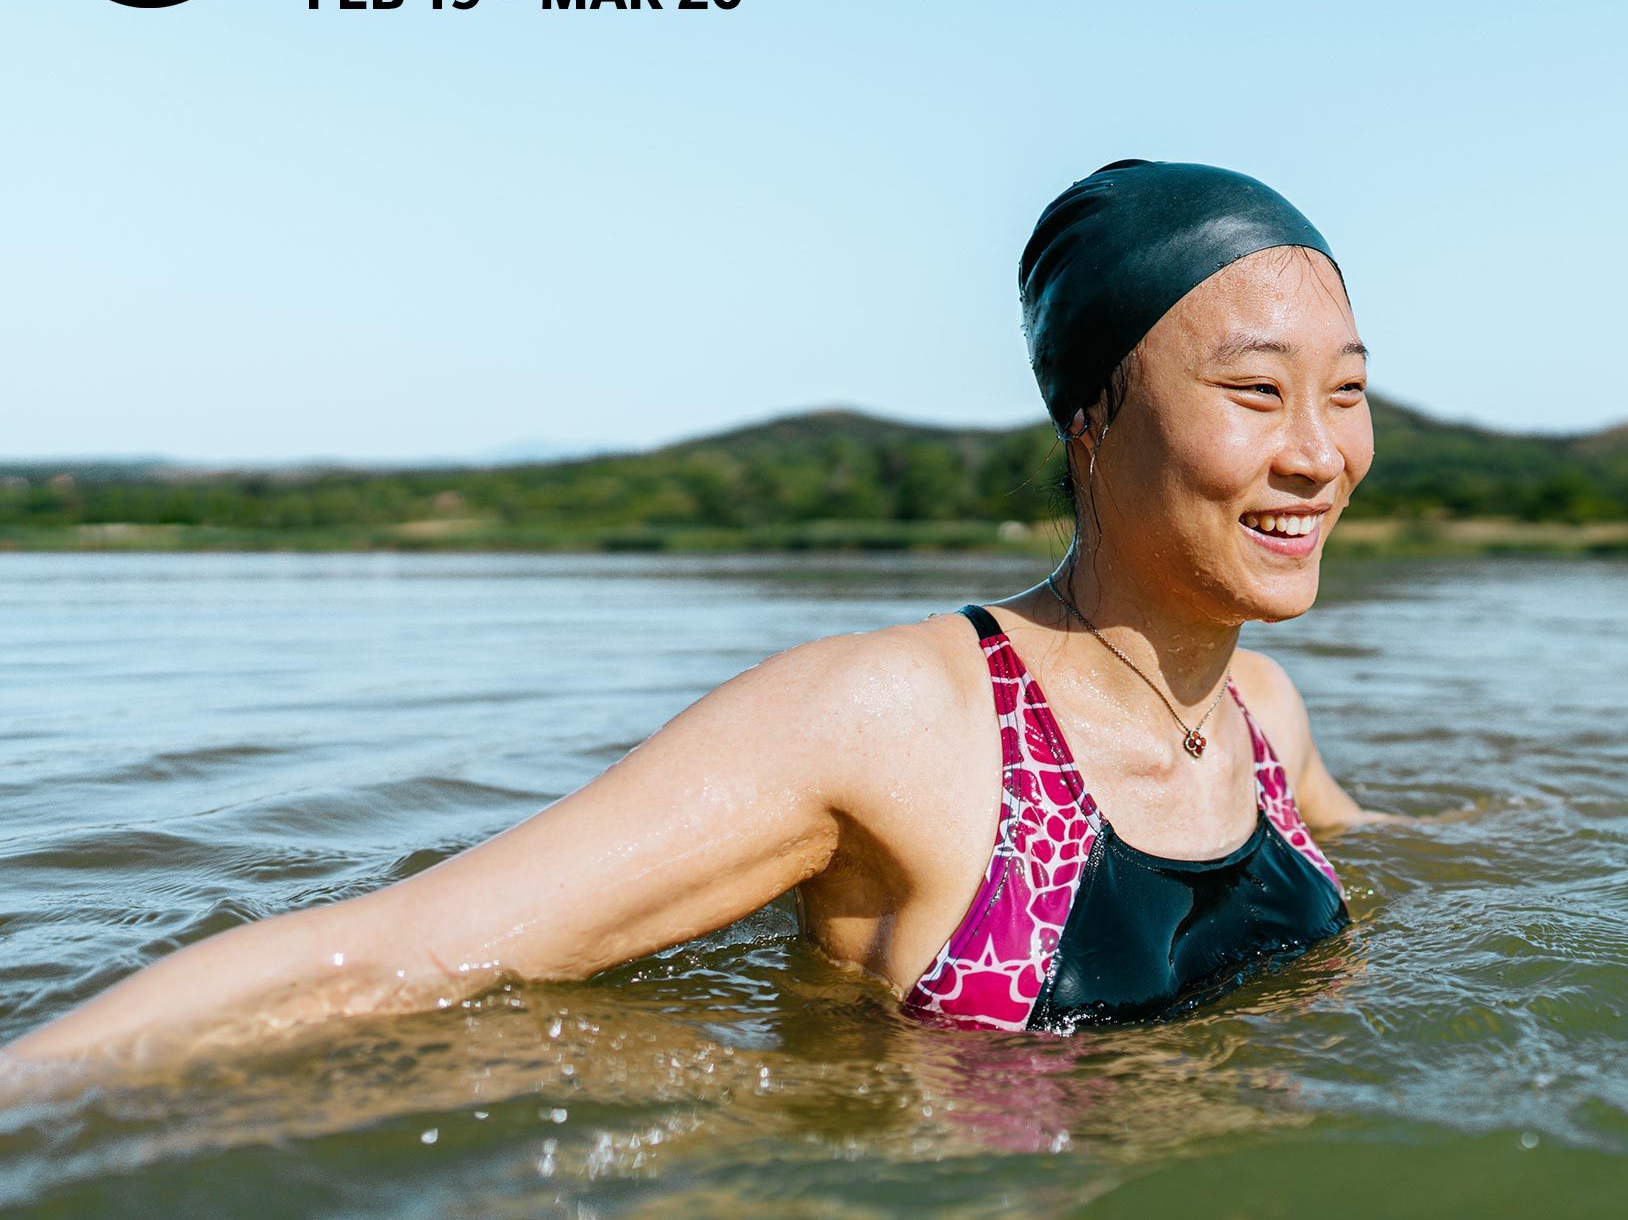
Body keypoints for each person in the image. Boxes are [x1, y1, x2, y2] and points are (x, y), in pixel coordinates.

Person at [0, 159, 1389, 1068]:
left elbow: (1406, 854)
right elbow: (402, 949)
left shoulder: (1263, 718)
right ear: (1089, 420)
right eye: (1257, 393)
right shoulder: (897, 720)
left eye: (1349, 390)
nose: (1320, 453)